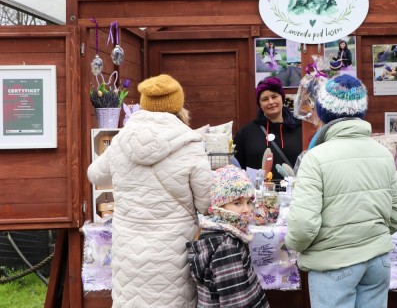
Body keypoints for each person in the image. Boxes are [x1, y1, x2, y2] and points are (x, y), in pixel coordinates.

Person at [87, 74, 212, 308]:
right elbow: (207, 203)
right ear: (178, 105)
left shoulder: (122, 140)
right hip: (174, 251)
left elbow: (95, 174)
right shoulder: (190, 144)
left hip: (129, 249)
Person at [285, 74, 397, 308]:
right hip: (377, 263)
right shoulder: (382, 154)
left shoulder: (315, 158)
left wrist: (296, 246)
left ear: (322, 112)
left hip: (333, 265)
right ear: (361, 111)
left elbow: (302, 227)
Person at [187, 165, 269, 308]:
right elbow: (236, 301)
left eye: (249, 202)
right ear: (220, 206)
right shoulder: (227, 246)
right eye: (237, 203)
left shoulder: (225, 234)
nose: (246, 210)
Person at [234, 76, 303, 183]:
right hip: (259, 196)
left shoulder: (300, 128)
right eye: (265, 99)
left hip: (295, 194)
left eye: (274, 96)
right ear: (259, 104)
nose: (271, 102)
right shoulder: (246, 133)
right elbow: (238, 169)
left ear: (282, 98)